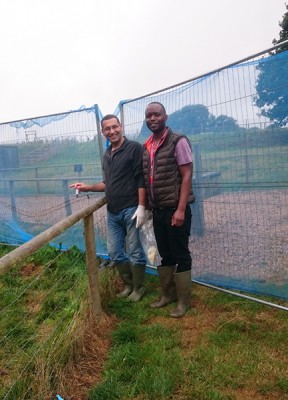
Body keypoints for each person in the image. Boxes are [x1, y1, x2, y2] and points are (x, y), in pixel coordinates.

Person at [70, 114, 147, 302]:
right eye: (107, 129)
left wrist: (142, 206)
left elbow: (141, 179)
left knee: (135, 250)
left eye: (115, 127)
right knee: (114, 251)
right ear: (103, 132)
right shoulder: (107, 154)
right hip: (113, 211)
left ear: (121, 126)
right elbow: (107, 183)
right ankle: (128, 285)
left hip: (131, 209)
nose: (112, 131)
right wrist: (87, 187)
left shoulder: (134, 149)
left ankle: (139, 288)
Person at [143, 102, 195, 318]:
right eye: (149, 116)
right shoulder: (147, 146)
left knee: (180, 254)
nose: (152, 119)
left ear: (166, 117)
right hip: (158, 211)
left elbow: (187, 175)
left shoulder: (178, 141)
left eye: (157, 114)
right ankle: (168, 295)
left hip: (175, 208)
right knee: (165, 254)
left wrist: (181, 209)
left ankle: (183, 302)